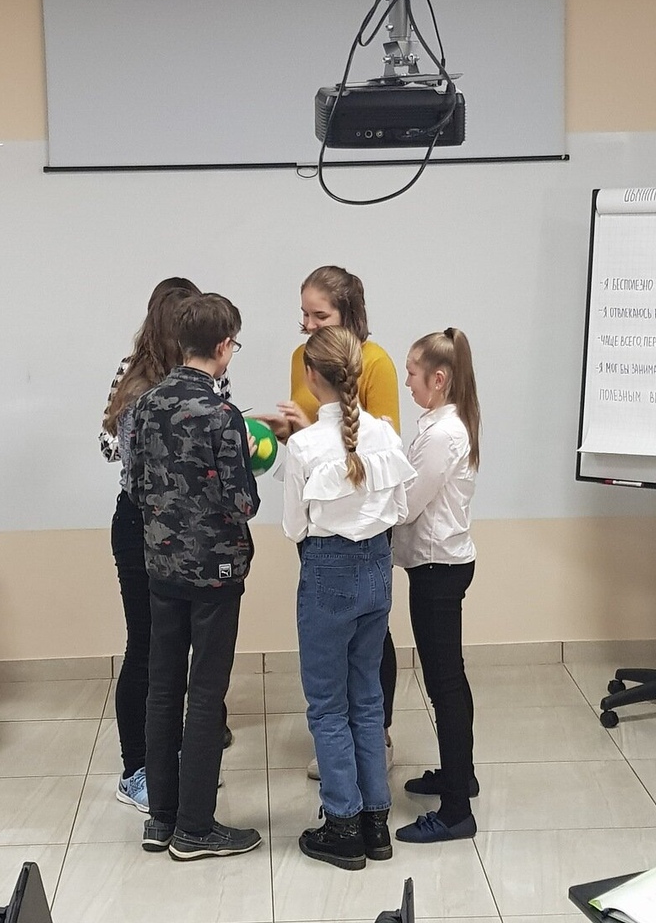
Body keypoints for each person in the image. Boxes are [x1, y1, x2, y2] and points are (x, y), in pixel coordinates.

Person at [129, 293, 263, 861]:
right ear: (224, 347)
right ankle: (196, 828)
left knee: (163, 690)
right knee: (206, 694)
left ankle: (160, 818)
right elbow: (243, 502)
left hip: (161, 569)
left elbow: (135, 486)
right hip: (215, 575)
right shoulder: (222, 416)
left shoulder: (145, 405)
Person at [282, 326, 416, 870]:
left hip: (327, 572)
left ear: (311, 376)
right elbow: (400, 510)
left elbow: (294, 527)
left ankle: (342, 824)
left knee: (327, 704)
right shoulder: (385, 435)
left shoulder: (304, 445)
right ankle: (376, 822)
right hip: (377, 573)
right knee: (367, 698)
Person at [260, 265, 401, 778]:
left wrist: (312, 436)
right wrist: (290, 432)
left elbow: (380, 442)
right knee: (335, 643)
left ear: (349, 314)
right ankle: (347, 750)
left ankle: (375, 738)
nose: (307, 324)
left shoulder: (376, 362)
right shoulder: (301, 357)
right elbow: (317, 430)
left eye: (319, 315)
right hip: (320, 522)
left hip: (360, 521)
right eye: (304, 313)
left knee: (368, 640)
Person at [101, 277, 230, 812]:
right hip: (143, 524)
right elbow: (111, 447)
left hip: (191, 529)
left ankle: (181, 759)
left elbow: (220, 441)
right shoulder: (136, 379)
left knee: (185, 650)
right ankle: (137, 770)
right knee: (147, 648)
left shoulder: (208, 377)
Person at [391, 328, 481, 844]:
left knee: (444, 684)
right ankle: (458, 777)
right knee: (448, 679)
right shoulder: (441, 424)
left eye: (412, 372)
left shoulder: (445, 434)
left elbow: (407, 505)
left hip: (437, 570)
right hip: (438, 565)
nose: (406, 382)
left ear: (439, 378)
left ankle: (455, 813)